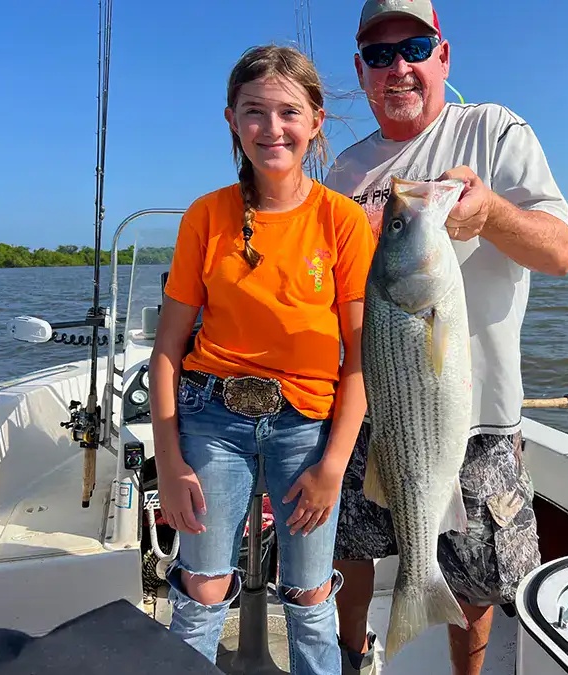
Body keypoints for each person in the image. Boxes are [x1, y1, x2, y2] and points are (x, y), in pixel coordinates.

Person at [323, 2, 568, 674]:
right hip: (367, 406)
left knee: (478, 582)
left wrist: (491, 211)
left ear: (443, 55)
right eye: (379, 55)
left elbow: (559, 251)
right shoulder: (344, 174)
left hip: (480, 416)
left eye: (414, 46)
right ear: (361, 71)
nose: (398, 67)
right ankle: (356, 658)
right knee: (348, 547)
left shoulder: (493, 130)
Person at [150, 44, 377, 675]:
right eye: (255, 111)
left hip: (306, 425)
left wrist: (333, 465)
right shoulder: (206, 216)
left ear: (315, 122)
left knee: (309, 596)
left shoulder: (343, 222)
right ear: (231, 119)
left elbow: (360, 356)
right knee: (201, 590)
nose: (271, 128)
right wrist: (168, 462)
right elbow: (167, 348)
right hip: (210, 418)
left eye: (288, 112)